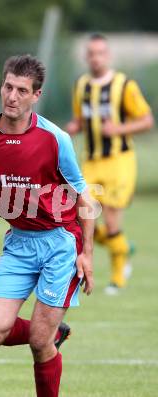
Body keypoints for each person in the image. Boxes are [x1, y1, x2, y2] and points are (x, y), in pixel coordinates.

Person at [0, 55, 94, 397]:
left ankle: (47, 337)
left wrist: (86, 253)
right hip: (19, 243)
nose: (12, 96)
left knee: (39, 342)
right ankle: (52, 333)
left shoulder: (55, 139)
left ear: (36, 95)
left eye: (21, 90)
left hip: (60, 243)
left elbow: (85, 199)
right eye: (8, 87)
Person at [65, 33, 154, 294]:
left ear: (108, 55)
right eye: (91, 53)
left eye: (100, 53)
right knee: (79, 218)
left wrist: (117, 129)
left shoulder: (123, 85)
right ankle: (123, 246)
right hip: (91, 161)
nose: (95, 58)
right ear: (86, 57)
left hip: (119, 161)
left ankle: (118, 278)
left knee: (112, 223)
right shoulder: (81, 85)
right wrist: (72, 128)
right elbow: (80, 120)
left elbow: (146, 120)